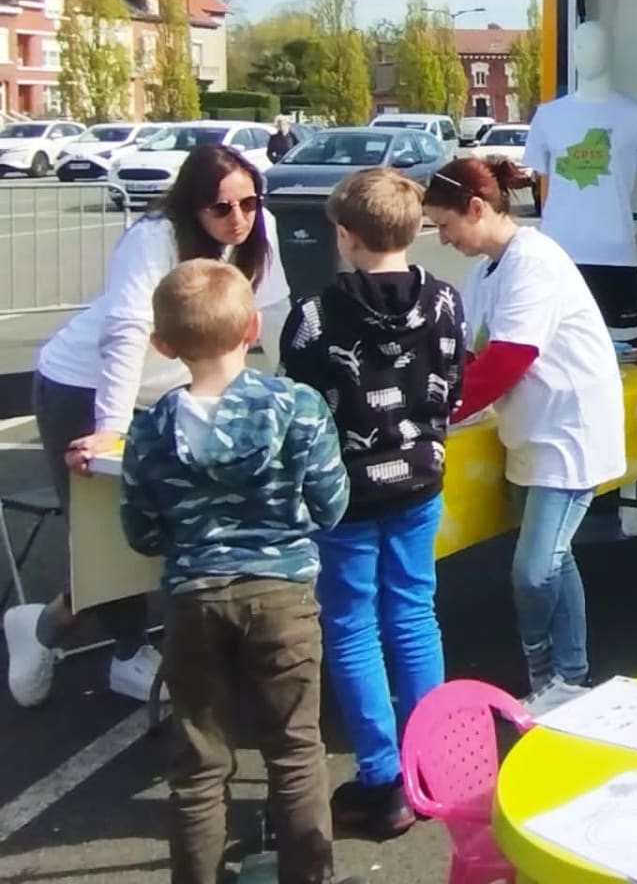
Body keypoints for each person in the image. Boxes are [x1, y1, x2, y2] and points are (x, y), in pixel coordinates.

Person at [5, 143, 291, 708]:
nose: (238, 218)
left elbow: (275, 314)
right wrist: (112, 429)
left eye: (249, 202)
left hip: (170, 388)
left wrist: (289, 394)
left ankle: (44, 624)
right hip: (84, 388)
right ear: (192, 206)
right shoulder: (154, 238)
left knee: (175, 522)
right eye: (221, 208)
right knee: (109, 529)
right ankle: (127, 651)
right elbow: (127, 334)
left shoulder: (261, 230)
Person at [119, 259, 351, 884]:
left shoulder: (151, 430)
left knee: (198, 767)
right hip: (282, 594)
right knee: (295, 751)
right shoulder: (298, 408)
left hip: (194, 597)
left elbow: (141, 531)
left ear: (163, 344)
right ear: (252, 328)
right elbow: (332, 506)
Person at [281, 169, 466, 842]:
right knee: (414, 613)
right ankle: (434, 763)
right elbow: (453, 383)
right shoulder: (444, 300)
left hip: (348, 488)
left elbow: (298, 404)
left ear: (344, 235)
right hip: (419, 476)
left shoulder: (315, 314)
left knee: (353, 625)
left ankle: (383, 778)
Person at [422, 156, 625, 715]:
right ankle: (568, 678)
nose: (443, 239)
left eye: (445, 225)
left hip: (567, 432)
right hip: (531, 432)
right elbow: (468, 356)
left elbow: (508, 357)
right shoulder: (488, 270)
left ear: (477, 208)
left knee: (534, 571)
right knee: (556, 559)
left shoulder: (533, 262)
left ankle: (549, 675)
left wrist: (442, 411)